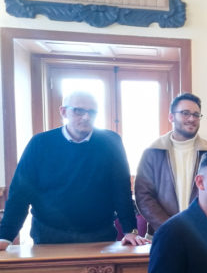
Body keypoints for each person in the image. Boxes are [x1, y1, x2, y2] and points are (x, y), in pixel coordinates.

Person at [0, 91, 146, 249]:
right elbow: (20, 194)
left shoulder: (111, 142)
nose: (86, 117)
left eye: (92, 112)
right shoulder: (40, 143)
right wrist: (5, 237)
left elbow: (121, 190)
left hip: (100, 235)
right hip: (49, 235)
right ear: (63, 111)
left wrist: (131, 230)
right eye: (79, 110)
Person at [135, 92, 207, 235]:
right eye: (185, 113)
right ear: (171, 117)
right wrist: (170, 227)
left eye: (196, 115)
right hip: (162, 233)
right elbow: (144, 196)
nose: (191, 119)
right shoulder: (153, 152)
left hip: (201, 234)